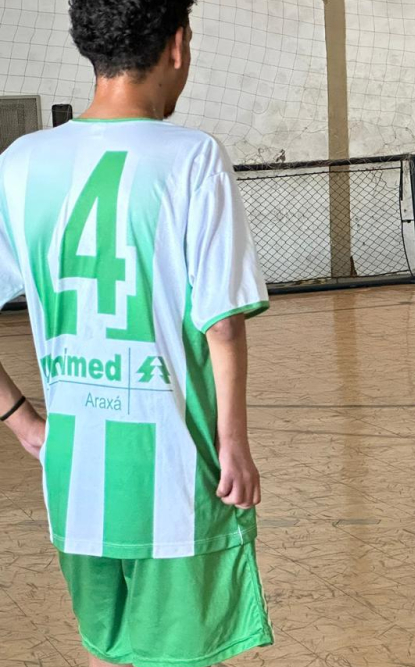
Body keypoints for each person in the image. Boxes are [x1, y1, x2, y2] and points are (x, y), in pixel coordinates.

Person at [0, 1, 273, 665]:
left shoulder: (21, 162)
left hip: (74, 476)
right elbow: (222, 323)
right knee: (180, 653)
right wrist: (233, 444)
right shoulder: (193, 157)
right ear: (177, 45)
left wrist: (23, 423)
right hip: (178, 475)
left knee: (108, 648)